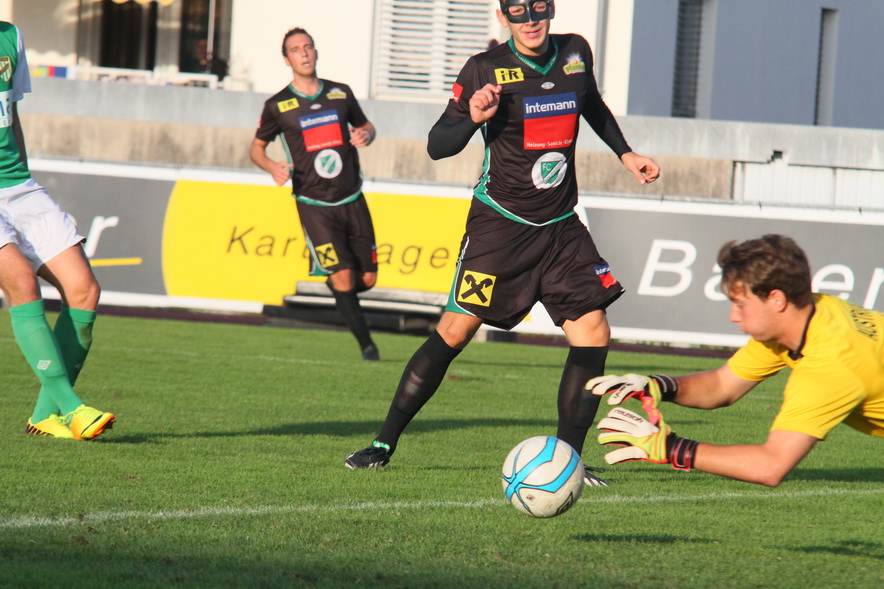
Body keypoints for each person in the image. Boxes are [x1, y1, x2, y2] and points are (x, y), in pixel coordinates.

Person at [345, 0, 660, 482]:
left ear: (551, 9)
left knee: (593, 332)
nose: (530, 20)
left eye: (538, 8)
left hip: (560, 228)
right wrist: (472, 117)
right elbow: (437, 145)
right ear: (503, 17)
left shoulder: (575, 52)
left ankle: (569, 461)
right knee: (455, 331)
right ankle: (383, 443)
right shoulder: (484, 68)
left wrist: (626, 153)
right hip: (500, 226)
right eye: (518, 12)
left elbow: (591, 104)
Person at [589, 234, 883, 487]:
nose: (733, 316)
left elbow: (771, 465)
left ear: (777, 299)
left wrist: (668, 447)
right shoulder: (811, 314)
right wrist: (656, 385)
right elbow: (723, 386)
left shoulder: (830, 367)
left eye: (740, 304)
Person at [0, 22, 115, 440]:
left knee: (84, 291)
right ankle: (73, 408)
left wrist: (22, 176)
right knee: (22, 282)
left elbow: (11, 114)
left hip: (18, 186)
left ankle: (44, 417)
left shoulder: (10, 36)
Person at [250, 27, 381, 361]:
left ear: (316, 52)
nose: (304, 53)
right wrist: (271, 166)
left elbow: (367, 126)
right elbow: (256, 148)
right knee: (343, 276)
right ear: (287, 60)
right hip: (314, 205)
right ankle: (368, 347)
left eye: (308, 47)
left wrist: (365, 136)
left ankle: (337, 285)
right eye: (296, 50)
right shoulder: (278, 105)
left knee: (368, 278)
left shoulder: (341, 93)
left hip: (352, 198)